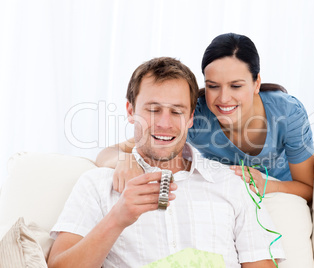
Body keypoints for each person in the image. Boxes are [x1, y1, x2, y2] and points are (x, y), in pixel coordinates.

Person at [47, 57, 285, 267]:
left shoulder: (233, 184)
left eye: (177, 111)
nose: (164, 123)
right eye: (153, 109)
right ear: (130, 110)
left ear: (191, 117)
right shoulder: (97, 185)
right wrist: (117, 219)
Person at [96, 33, 314, 202]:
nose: (223, 98)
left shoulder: (287, 113)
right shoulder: (195, 116)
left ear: (256, 82)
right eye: (213, 86)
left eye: (236, 86)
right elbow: (107, 154)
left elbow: (308, 188)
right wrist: (127, 160)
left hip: (281, 197)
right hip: (228, 199)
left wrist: (266, 184)